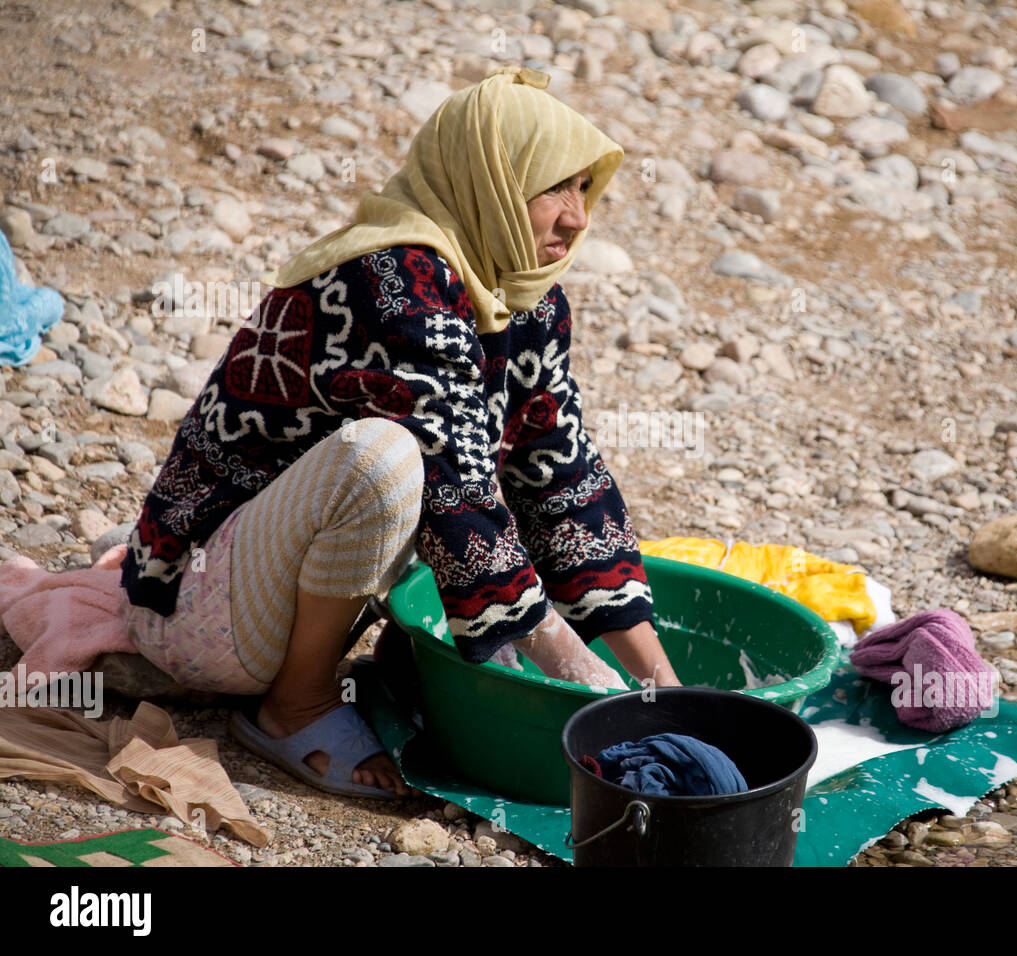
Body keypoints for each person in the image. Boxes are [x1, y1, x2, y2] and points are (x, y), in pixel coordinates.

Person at [118, 66, 680, 799]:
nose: (577, 218)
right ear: (489, 180)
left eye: (585, 189)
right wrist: (586, 681)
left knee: (492, 504)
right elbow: (455, 490)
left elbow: (561, 478)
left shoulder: (523, 297)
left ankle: (372, 675)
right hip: (200, 609)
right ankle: (296, 706)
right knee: (388, 459)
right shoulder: (389, 279)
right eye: (553, 188)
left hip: (287, 580)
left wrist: (660, 689)